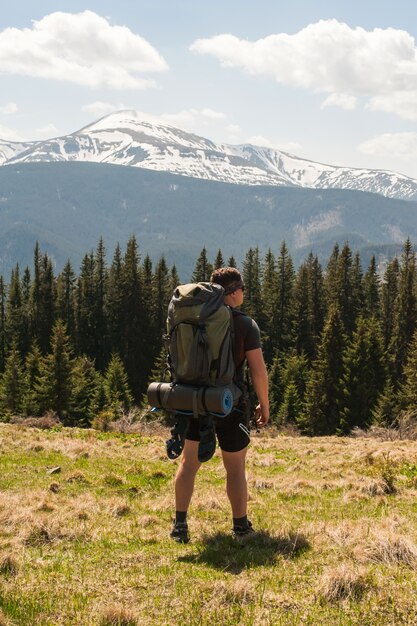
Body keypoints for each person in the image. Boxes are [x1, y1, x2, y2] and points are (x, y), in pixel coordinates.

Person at [170, 267, 269, 543]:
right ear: (234, 292)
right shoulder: (245, 324)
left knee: (189, 463)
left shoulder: (194, 317)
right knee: (235, 467)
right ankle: (240, 527)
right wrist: (264, 405)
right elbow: (258, 371)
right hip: (230, 403)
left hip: (194, 399)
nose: (244, 294)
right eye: (242, 289)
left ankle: (180, 525)